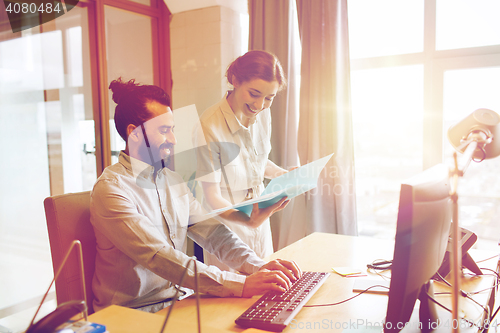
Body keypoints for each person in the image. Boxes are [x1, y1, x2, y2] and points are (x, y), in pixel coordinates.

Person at [90, 78, 301, 313]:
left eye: (172, 129)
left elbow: (213, 233)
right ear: (134, 133)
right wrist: (242, 284)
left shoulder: (172, 181)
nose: (173, 139)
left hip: (178, 301)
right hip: (134, 313)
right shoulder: (112, 190)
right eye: (163, 130)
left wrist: (258, 266)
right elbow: (160, 256)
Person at [196, 50, 293, 272]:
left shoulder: (263, 116)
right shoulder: (208, 126)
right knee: (235, 296)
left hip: (259, 221)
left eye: (269, 98)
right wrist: (246, 219)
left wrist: (284, 175)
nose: (260, 105)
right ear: (235, 81)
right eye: (254, 94)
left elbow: (258, 163)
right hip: (228, 225)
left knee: (268, 282)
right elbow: (211, 197)